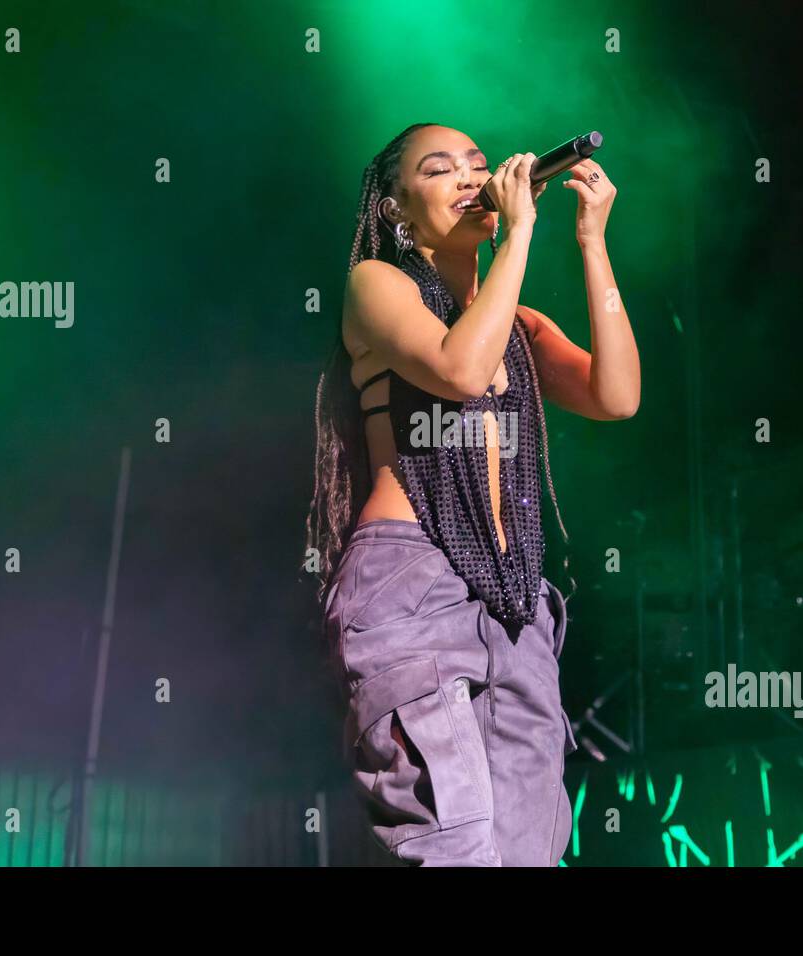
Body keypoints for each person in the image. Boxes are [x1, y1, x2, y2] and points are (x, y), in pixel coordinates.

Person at [306, 123, 640, 866]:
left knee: (526, 852)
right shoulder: (377, 286)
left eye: (479, 167)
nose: (470, 178)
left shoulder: (515, 326)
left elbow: (617, 396)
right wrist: (518, 234)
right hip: (411, 583)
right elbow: (458, 370)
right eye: (441, 169)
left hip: (513, 598)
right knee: (453, 846)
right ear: (396, 207)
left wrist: (592, 242)